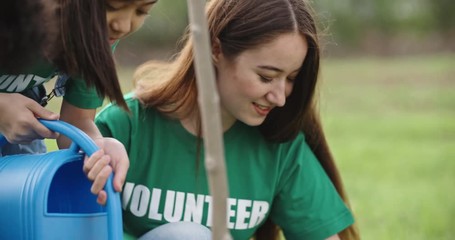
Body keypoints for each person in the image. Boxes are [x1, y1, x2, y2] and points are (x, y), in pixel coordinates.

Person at [95, 0, 360, 239]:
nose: (280, 97)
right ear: (216, 49)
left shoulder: (279, 144)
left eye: (290, 79)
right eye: (266, 77)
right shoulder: (125, 125)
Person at [0, 0, 158, 205]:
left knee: (27, 204)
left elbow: (78, 121)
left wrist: (96, 148)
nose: (123, 25)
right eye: (112, 8)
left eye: (141, 11)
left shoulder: (96, 35)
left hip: (19, 112)